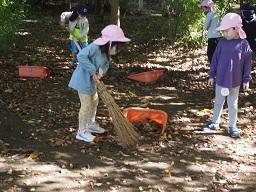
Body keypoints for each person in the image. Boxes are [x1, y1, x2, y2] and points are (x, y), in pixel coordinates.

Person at [68, 25, 130, 142]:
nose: (118, 48)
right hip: (83, 80)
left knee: (95, 100)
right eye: (117, 45)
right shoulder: (95, 47)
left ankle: (90, 124)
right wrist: (92, 71)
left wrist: (101, 72)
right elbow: (81, 56)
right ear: (110, 43)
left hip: (92, 82)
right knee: (86, 105)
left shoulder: (105, 52)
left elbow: (105, 64)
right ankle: (81, 131)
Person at [202, 13, 252, 138]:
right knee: (218, 102)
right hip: (220, 80)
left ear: (236, 29)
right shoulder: (222, 43)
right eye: (222, 31)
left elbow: (247, 63)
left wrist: (246, 79)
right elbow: (215, 60)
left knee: (233, 104)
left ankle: (232, 126)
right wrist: (211, 75)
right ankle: (214, 122)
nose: (224, 33)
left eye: (226, 31)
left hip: (235, 82)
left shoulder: (244, 44)